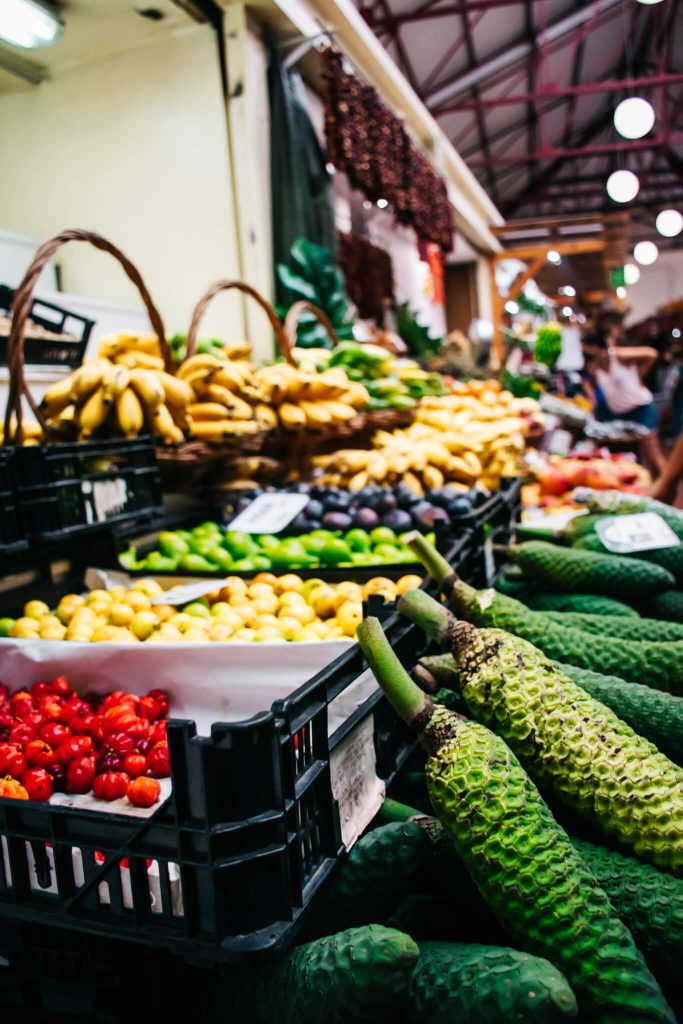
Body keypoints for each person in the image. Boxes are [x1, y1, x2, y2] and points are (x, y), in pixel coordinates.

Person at [581, 327, 665, 474]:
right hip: (619, 415)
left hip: (641, 409)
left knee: (653, 456)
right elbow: (588, 384)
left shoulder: (617, 355)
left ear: (594, 347)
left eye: (586, 348)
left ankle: (667, 488)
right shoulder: (594, 367)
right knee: (629, 463)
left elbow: (651, 354)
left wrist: (641, 374)